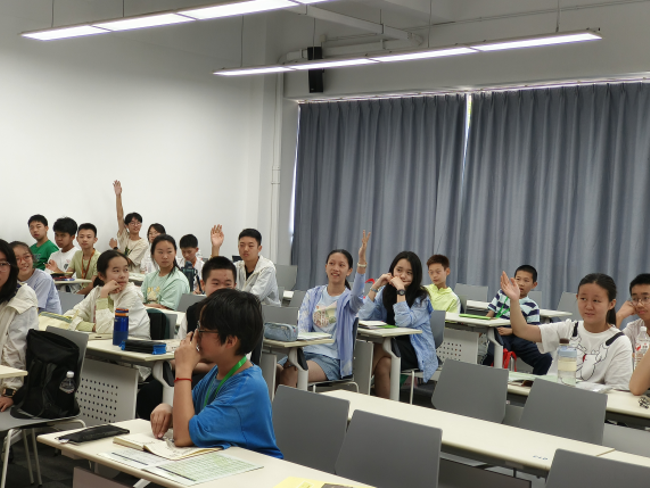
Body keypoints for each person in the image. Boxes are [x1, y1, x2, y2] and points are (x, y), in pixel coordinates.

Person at [149, 289, 283, 458]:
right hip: (224, 461)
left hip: (256, 468)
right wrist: (169, 410)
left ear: (230, 341)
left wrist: (184, 369)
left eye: (203, 330)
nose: (195, 336)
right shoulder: (218, 372)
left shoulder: (248, 387)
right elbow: (188, 418)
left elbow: (183, 436)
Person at [137, 257, 238, 420]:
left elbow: (231, 365)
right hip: (190, 369)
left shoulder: (238, 316)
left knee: (187, 395)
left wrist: (188, 364)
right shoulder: (193, 312)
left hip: (221, 377)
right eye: (215, 283)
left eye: (227, 284)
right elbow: (180, 348)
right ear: (203, 284)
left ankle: (184, 429)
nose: (221, 289)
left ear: (235, 286)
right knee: (150, 392)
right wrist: (181, 363)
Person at [502, 271, 632, 390]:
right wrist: (514, 300)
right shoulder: (569, 328)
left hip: (586, 404)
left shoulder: (619, 342)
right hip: (551, 396)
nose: (588, 306)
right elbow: (522, 330)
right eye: (583, 299)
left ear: (611, 304)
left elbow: (618, 391)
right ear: (577, 297)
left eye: (596, 301)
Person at [278, 232, 370, 387]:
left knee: (290, 374)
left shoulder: (349, 301)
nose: (336, 268)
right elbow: (302, 327)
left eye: (341, 265)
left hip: (330, 359)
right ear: (326, 267)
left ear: (349, 271)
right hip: (305, 352)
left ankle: (289, 404)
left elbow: (358, 296)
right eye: (332, 264)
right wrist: (297, 351)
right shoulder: (313, 294)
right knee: (274, 370)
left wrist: (361, 261)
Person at [358, 251, 435, 399]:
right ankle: (386, 409)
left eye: (409, 273)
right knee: (383, 365)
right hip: (390, 345)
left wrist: (401, 291)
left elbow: (403, 322)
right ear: (392, 270)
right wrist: (375, 286)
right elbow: (362, 316)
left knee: (380, 345)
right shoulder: (385, 292)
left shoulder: (421, 298)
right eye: (399, 270)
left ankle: (358, 389)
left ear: (416, 276)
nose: (403, 276)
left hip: (415, 349)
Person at [482, 265, 552, 375]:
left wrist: (512, 331)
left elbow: (533, 331)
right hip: (500, 333)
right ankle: (483, 376)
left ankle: (533, 384)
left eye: (526, 281)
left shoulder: (532, 306)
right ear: (513, 280)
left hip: (521, 338)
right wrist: (481, 328)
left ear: (534, 285)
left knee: (545, 358)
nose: (521, 283)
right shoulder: (501, 294)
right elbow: (490, 313)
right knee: (494, 354)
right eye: (518, 279)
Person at [64, 250, 150, 339]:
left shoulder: (131, 294)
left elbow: (106, 330)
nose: (123, 275)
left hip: (133, 344)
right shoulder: (97, 291)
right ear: (101, 276)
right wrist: (93, 327)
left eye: (126, 270)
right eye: (116, 271)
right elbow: (67, 318)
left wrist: (104, 294)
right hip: (105, 343)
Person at [0, 240, 39, 411]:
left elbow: (16, 349)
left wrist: (10, 391)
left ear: (11, 267)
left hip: (6, 384)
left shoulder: (23, 296)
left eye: (2, 264)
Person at [210, 225, 280, 305]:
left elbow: (254, 298)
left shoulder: (267, 268)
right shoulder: (237, 266)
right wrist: (215, 247)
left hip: (264, 311)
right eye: (242, 245)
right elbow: (217, 274)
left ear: (259, 248)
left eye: (250, 246)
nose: (246, 249)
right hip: (239, 308)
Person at [141, 235, 190, 310]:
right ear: (153, 254)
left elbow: (165, 309)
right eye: (160, 252)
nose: (165, 256)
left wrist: (143, 306)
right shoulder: (149, 277)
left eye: (169, 252)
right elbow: (138, 302)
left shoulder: (177, 280)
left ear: (175, 252)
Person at [11, 242, 61, 314]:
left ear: (32, 257)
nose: (23, 262)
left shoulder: (43, 278)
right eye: (17, 259)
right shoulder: (10, 279)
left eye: (26, 257)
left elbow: (33, 311)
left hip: (47, 319)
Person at [109, 180, 148, 273]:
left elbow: (127, 261)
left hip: (134, 277)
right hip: (120, 274)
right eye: (132, 223)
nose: (136, 226)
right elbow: (119, 216)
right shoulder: (125, 236)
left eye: (138, 223)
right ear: (126, 226)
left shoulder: (143, 243)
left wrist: (115, 248)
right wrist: (118, 196)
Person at [46, 217, 80, 293]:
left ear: (72, 237)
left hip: (72, 295)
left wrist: (57, 270)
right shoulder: (53, 255)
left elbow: (76, 280)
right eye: (56, 235)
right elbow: (47, 276)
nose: (58, 239)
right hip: (53, 294)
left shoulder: (79, 255)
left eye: (63, 235)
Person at [66, 223, 101, 296]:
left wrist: (75, 296)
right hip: (79, 291)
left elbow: (92, 286)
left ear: (95, 240)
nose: (84, 240)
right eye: (81, 237)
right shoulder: (77, 254)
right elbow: (67, 275)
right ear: (77, 239)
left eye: (88, 237)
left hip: (94, 294)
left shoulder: (99, 257)